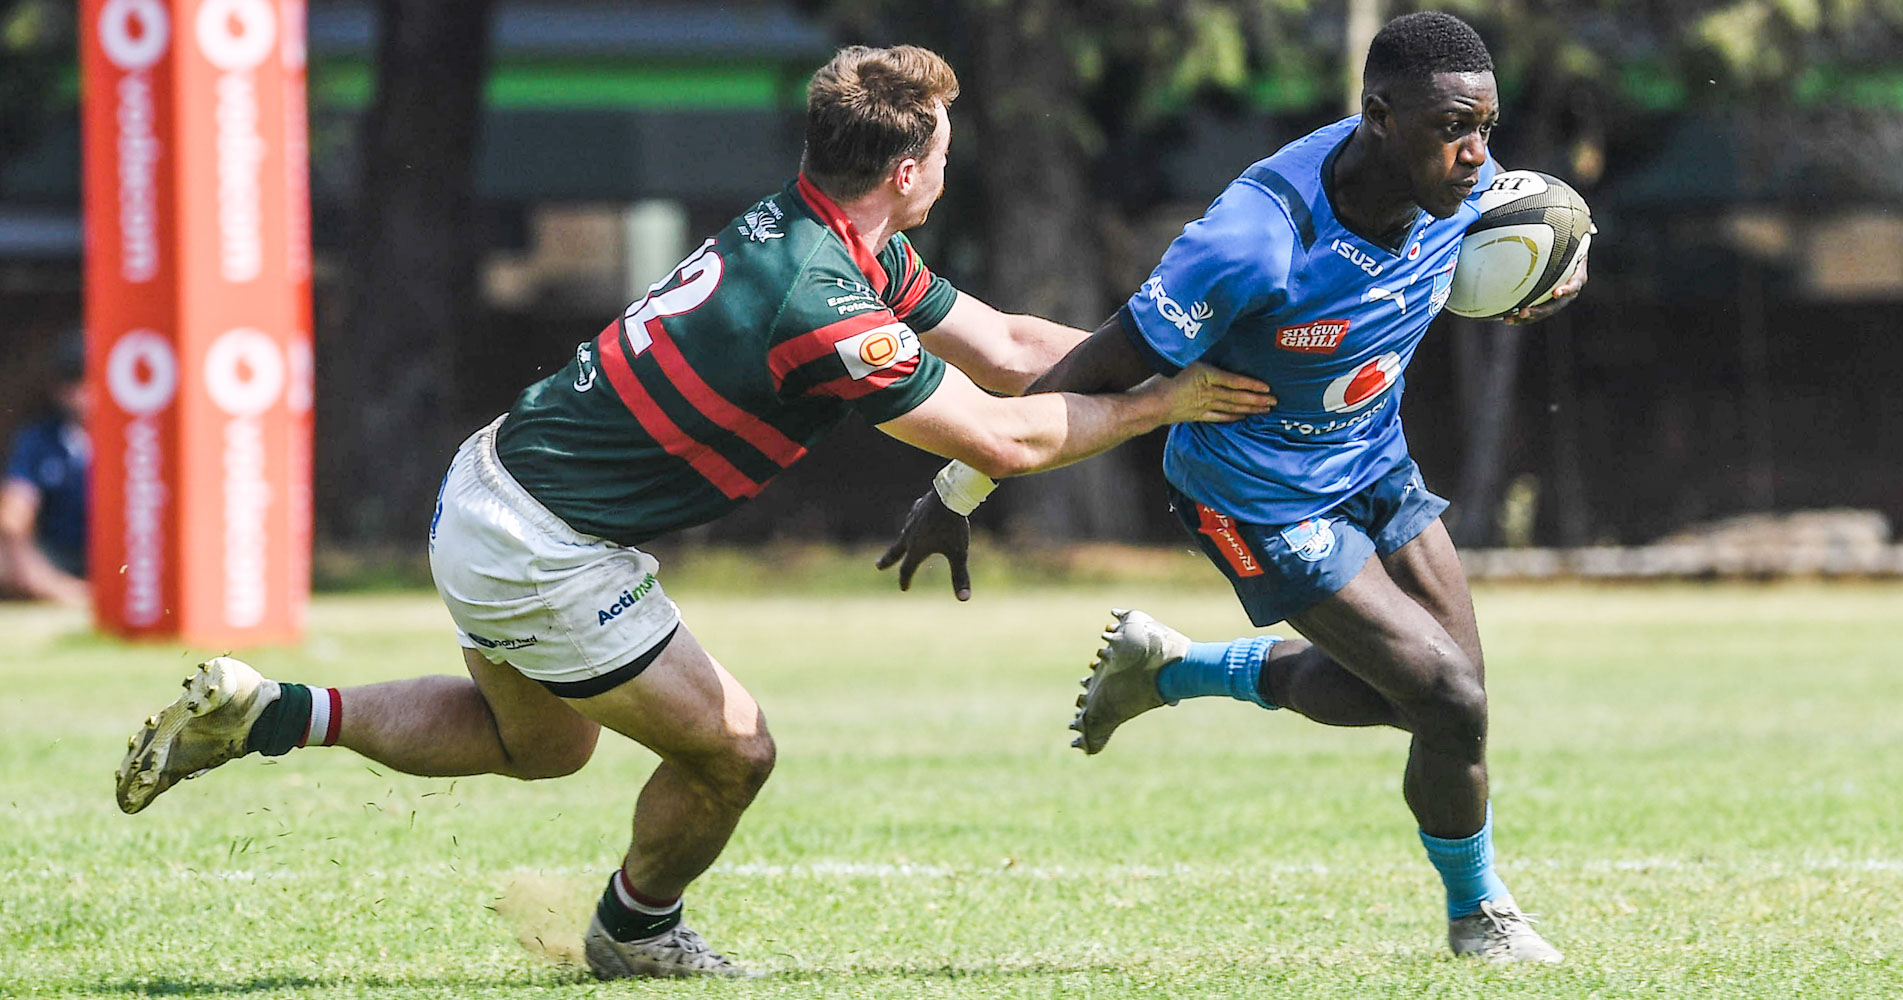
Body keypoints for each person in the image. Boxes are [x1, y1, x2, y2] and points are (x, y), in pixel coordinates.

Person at [112, 44, 1274, 980]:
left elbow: (1018, 351)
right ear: (909, 170)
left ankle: (271, 714)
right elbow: (1002, 436)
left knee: (542, 743)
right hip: (544, 548)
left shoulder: (820, 232)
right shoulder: (823, 300)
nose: (946, 172)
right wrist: (1167, 403)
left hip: (495, 491)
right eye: (945, 155)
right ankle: (636, 927)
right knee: (733, 749)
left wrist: (1169, 354)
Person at [876, 12, 1583, 963]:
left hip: (1375, 462)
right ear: (1377, 115)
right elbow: (1102, 365)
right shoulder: (1255, 242)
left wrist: (1549, 271)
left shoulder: (1468, 194)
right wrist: (960, 485)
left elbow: (1535, 236)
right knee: (1448, 701)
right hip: (1256, 498)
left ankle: (1173, 670)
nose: (1476, 156)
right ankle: (1480, 917)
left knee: (1452, 703)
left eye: (1486, 128)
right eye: (1455, 129)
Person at [2, 330, 90, 606]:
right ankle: (71, 594)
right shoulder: (38, 439)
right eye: (73, 382)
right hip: (57, 555)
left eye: (88, 381)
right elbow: (15, 514)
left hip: (124, 556)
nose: (83, 394)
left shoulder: (138, 438)